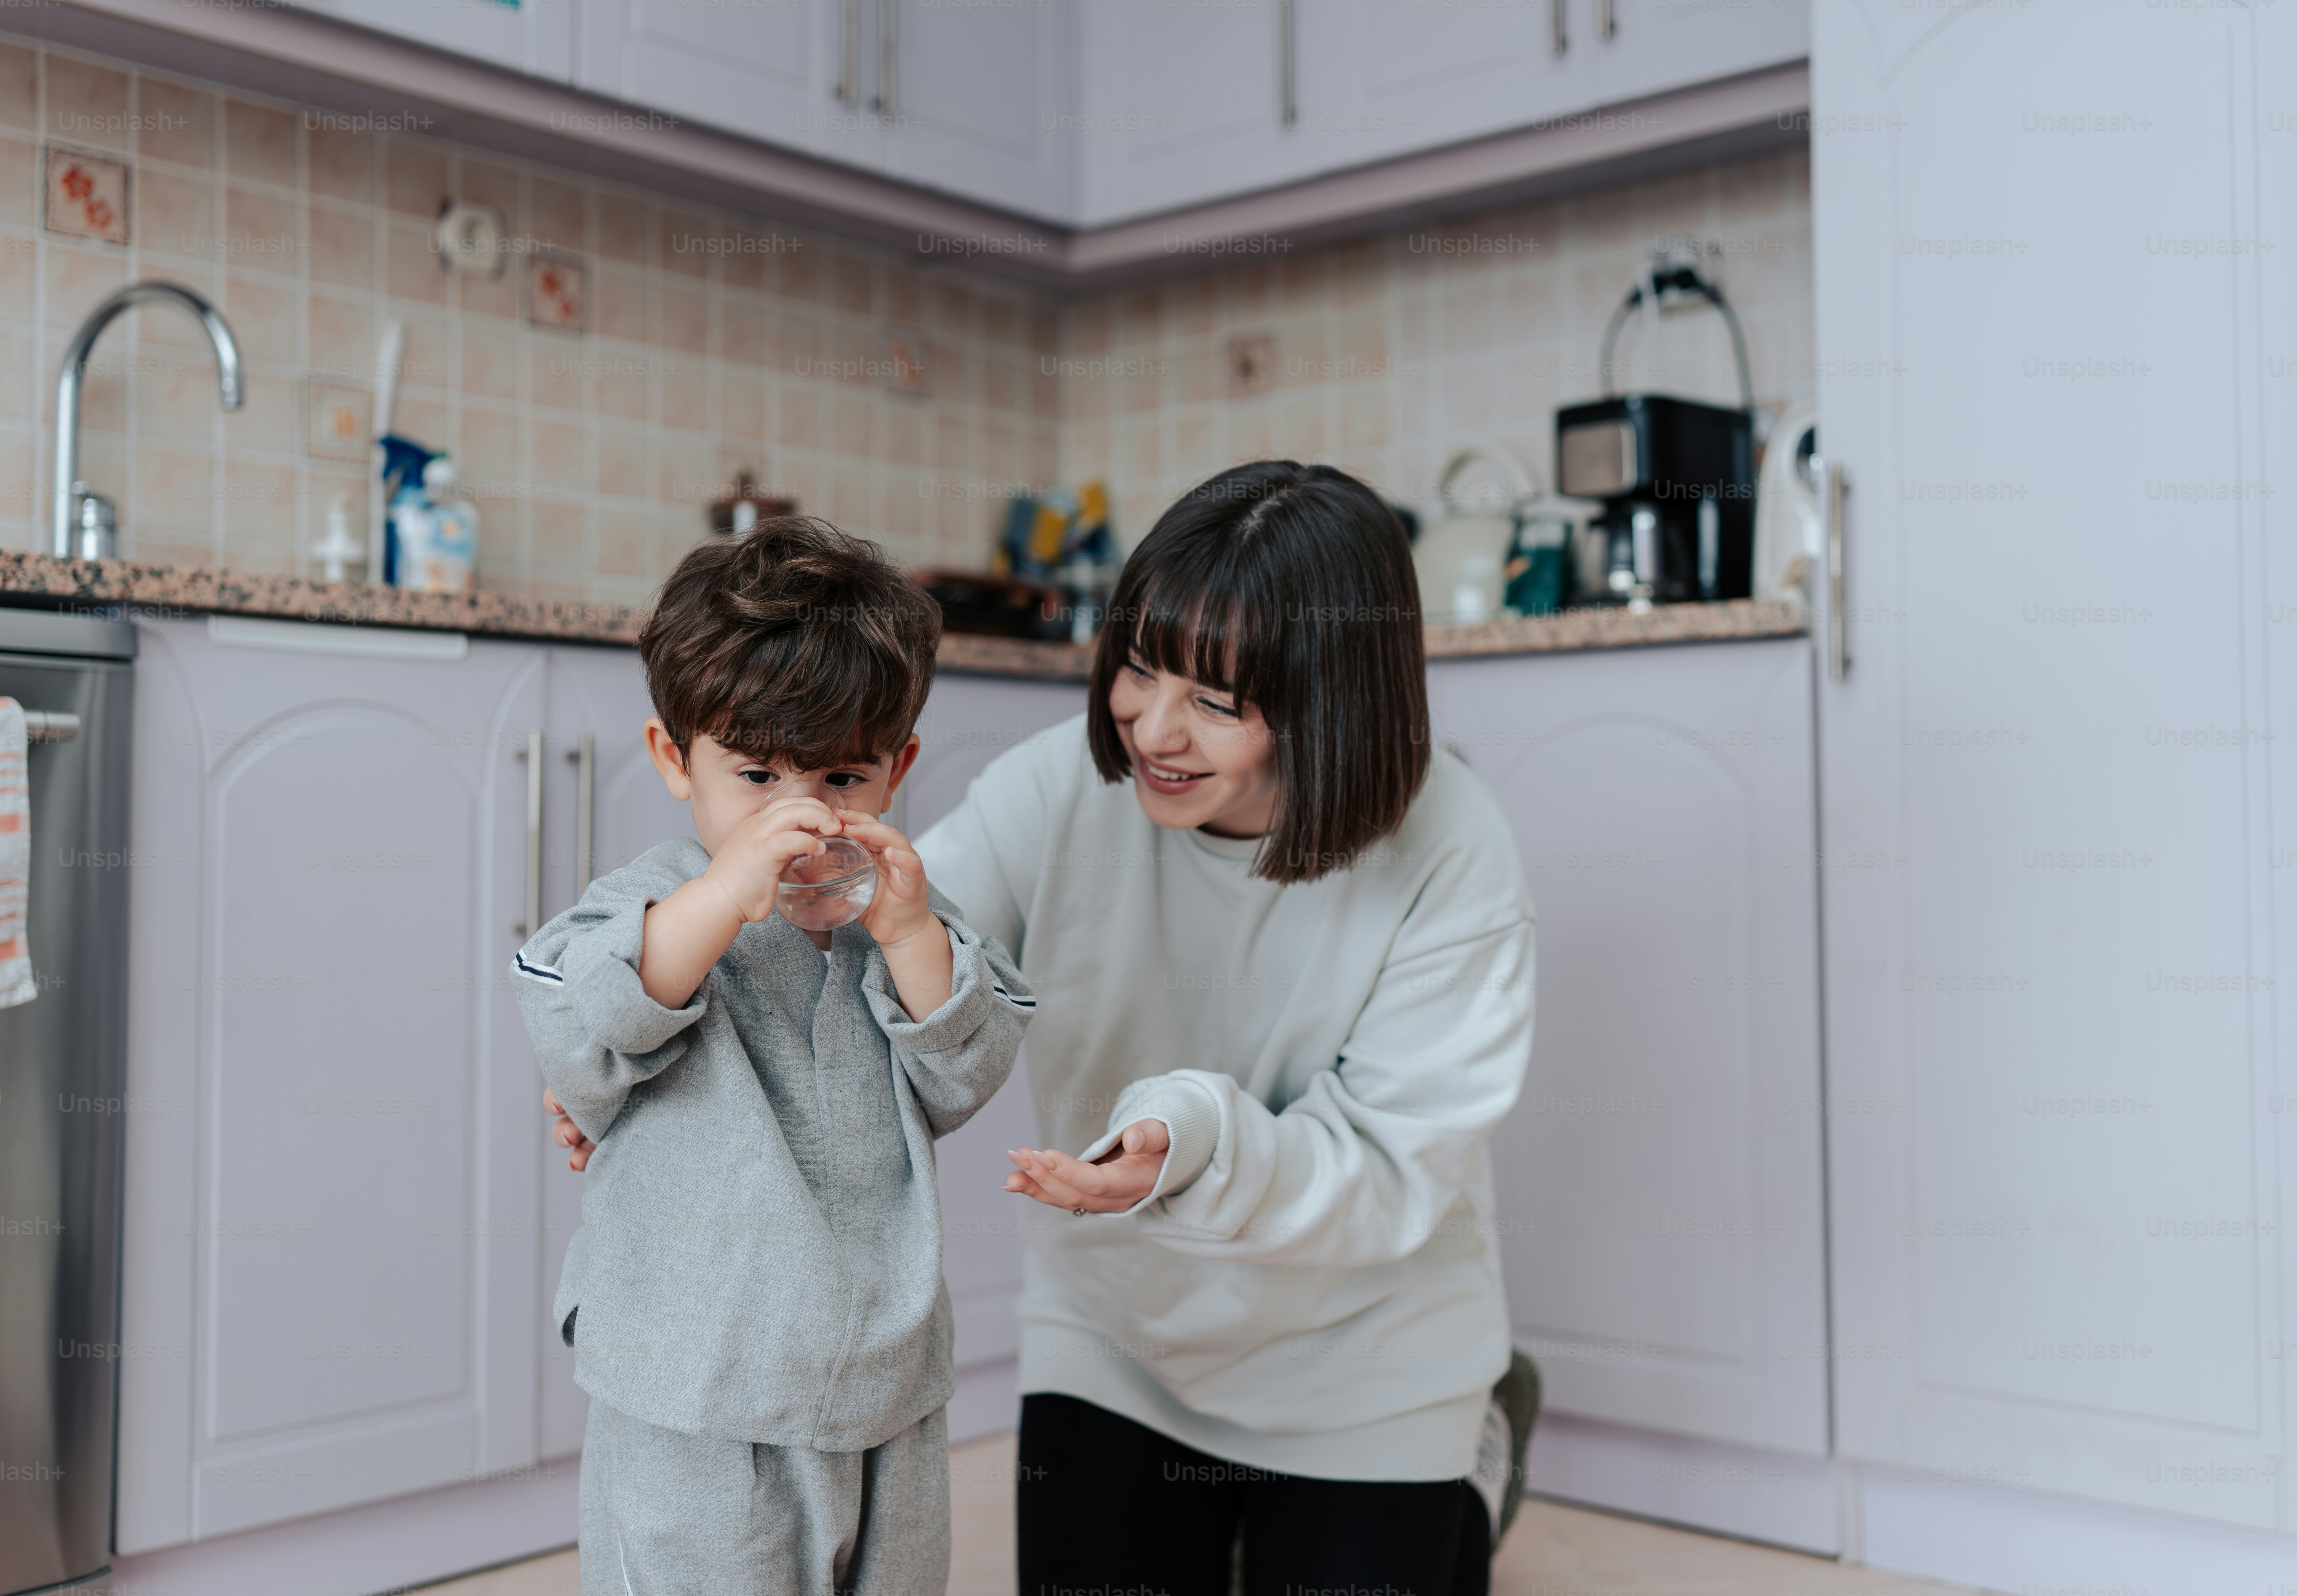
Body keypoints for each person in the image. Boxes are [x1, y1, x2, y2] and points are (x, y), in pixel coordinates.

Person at [548, 461, 1539, 1595]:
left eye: (1217, 700)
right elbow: (866, 937)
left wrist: (1196, 1141)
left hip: (1368, 1356)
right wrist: (628, 1028)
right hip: (1118, 1336)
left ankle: (1472, 1450)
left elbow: (1388, 1162)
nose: (1153, 729)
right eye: (1139, 667)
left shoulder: (1454, 847)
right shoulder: (1066, 785)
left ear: (1330, 699)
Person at [513, 517, 1036, 1596]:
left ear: (899, 770)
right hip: (694, 1389)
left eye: (842, 776)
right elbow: (584, 1020)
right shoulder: (649, 902)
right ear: (673, 759)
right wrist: (720, 897)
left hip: (886, 1386)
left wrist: (907, 937)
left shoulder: (907, 913)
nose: (799, 816)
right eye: (756, 775)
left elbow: (966, 1069)